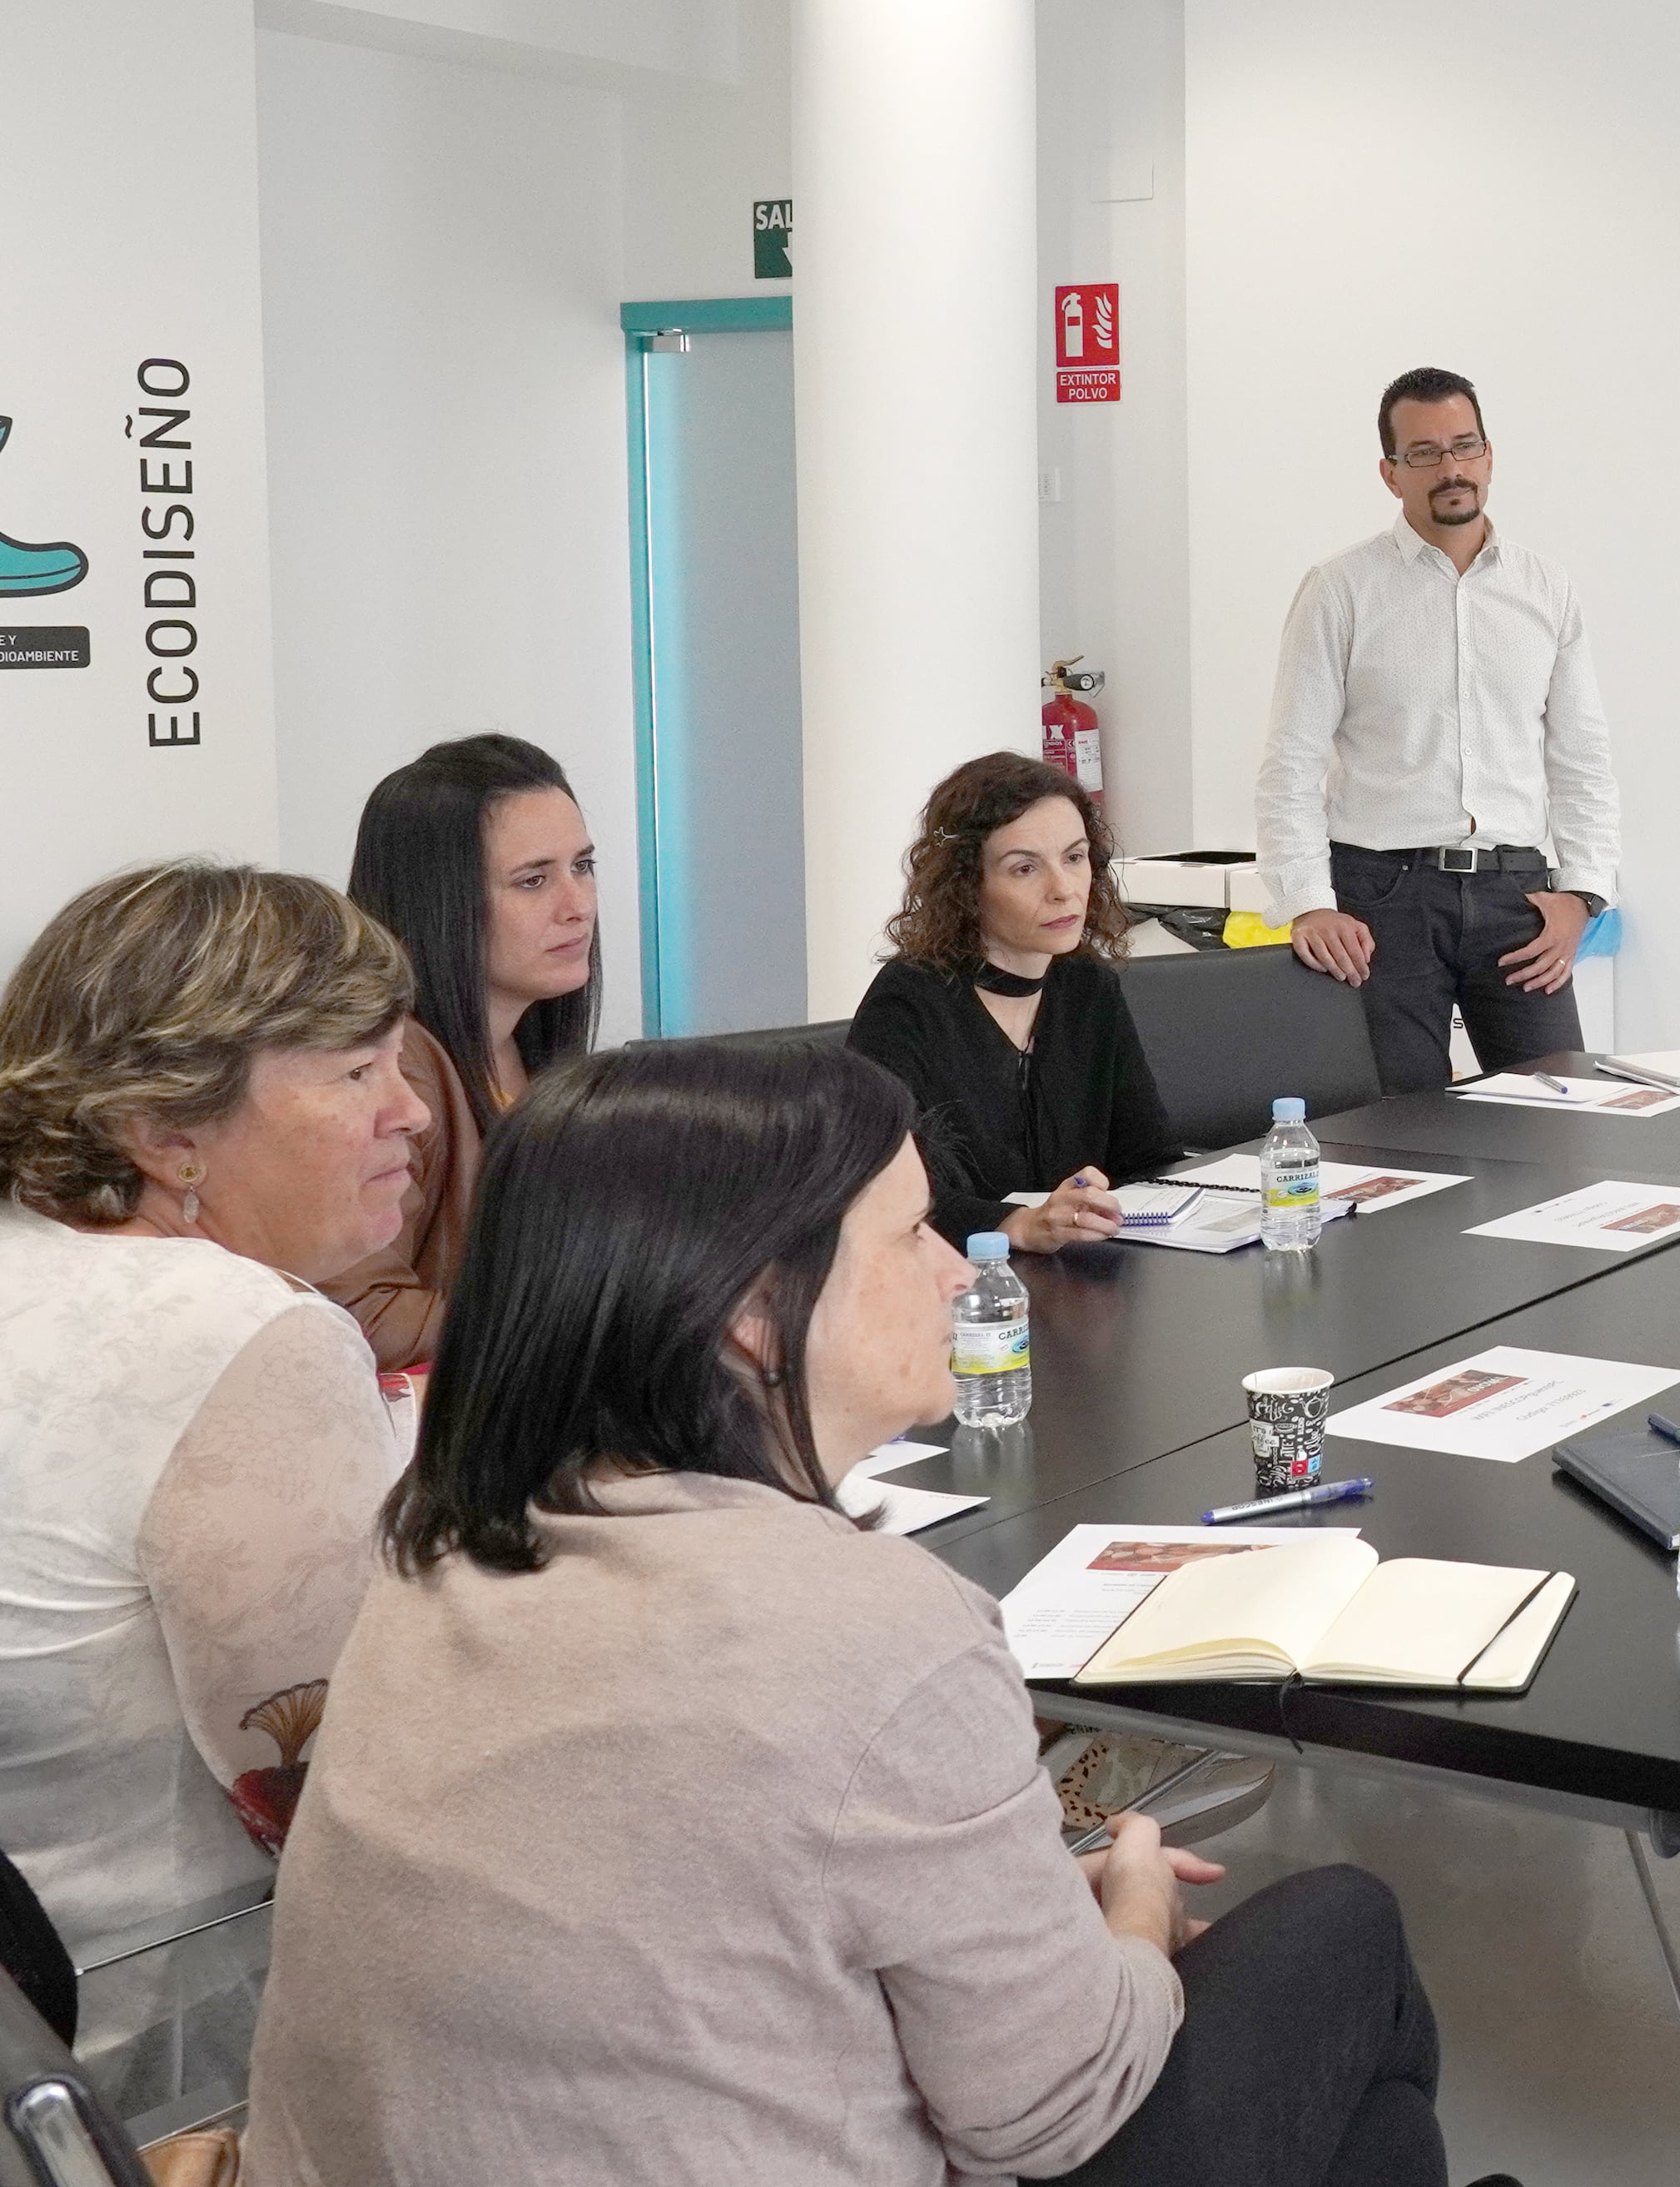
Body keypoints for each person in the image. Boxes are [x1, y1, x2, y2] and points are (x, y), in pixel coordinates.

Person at [247, 1041, 1494, 2187]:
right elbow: (1053, 2107)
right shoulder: (871, 1629)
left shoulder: (436, 1549)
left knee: (1366, 2140)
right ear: (748, 1312)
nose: (960, 1268)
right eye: (909, 1236)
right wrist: (1131, 1914)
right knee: (1346, 1935)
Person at [0, 863, 423, 1961]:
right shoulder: (229, 1325)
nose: (411, 1110)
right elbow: (346, 1801)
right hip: (169, 2046)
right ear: (161, 1129)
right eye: (357, 1070)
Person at [1260, 367, 1620, 1092]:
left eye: (1464, 446)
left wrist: (1583, 895)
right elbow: (1290, 763)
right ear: (1390, 473)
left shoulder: (1546, 589)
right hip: (1381, 898)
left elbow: (1582, 760)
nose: (1450, 468)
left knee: (1564, 1117)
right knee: (1396, 1130)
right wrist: (1306, 901)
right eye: (1424, 453)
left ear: (1489, 455)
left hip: (1517, 897)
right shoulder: (1340, 589)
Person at [326, 733, 603, 1372]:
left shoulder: (534, 1055)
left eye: (583, 867)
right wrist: (585, 1334)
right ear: (441, 902)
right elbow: (358, 1314)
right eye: (534, 880)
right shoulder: (395, 1069)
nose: (578, 906)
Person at [847, 751, 1182, 1253]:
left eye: (1074, 858)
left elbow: (1148, 1154)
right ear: (967, 886)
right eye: (1025, 868)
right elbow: (884, 1196)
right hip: (955, 1290)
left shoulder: (1088, 987)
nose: (1064, 889)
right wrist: (1018, 1225)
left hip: (1084, 1277)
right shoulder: (907, 1005)